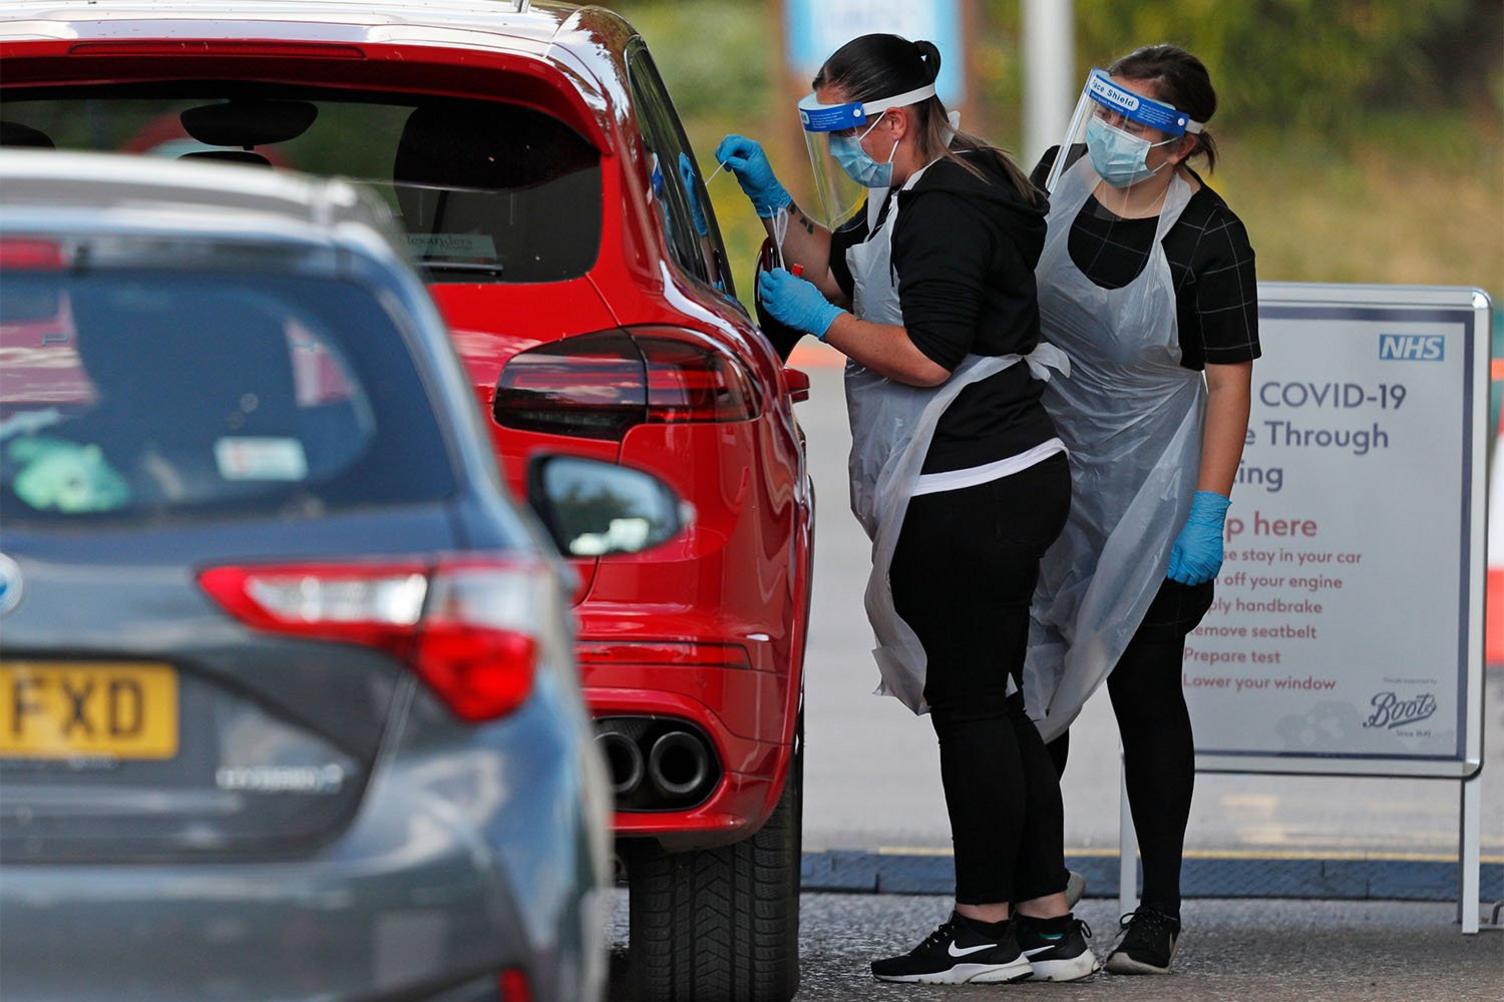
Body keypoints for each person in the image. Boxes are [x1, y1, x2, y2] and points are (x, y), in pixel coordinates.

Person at [717, 34, 1097, 985]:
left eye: (845, 129)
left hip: (974, 485)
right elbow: (844, 269)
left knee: (973, 711)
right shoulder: (920, 189)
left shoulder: (950, 210)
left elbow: (925, 353)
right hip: (992, 477)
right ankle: (1047, 921)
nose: (838, 147)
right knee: (1003, 707)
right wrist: (771, 202)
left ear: (892, 119)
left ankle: (981, 928)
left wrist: (819, 329)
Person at [1024, 45, 1260, 975]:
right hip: (1040, 471)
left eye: (1132, 122)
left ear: (1179, 142)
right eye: (1105, 111)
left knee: (1144, 692)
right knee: (1031, 688)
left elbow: (1230, 386)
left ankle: (1156, 911)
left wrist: (1209, 512)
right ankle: (1036, 883)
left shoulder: (1211, 236)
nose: (1110, 134)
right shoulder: (1055, 177)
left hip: (1153, 488)